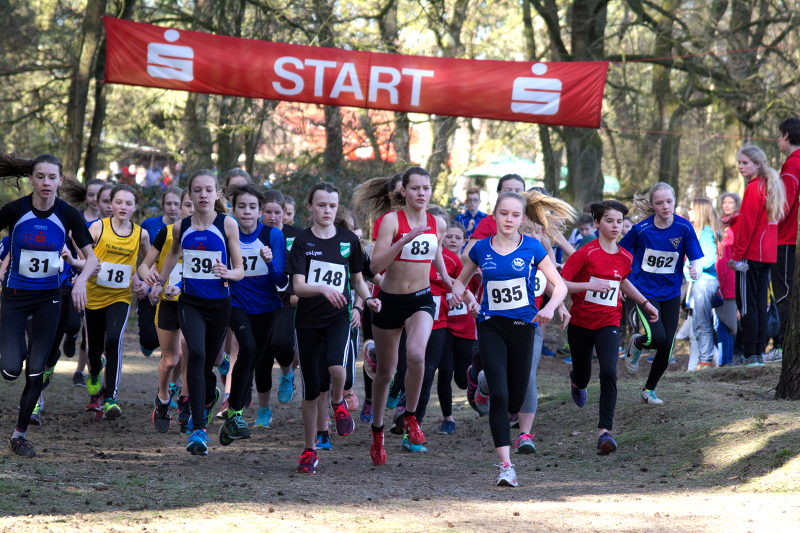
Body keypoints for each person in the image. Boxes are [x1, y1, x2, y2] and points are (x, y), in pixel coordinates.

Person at [451, 190, 573, 487]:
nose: (509, 219)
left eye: (515, 214)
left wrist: (548, 307)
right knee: (502, 396)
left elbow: (559, 286)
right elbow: (460, 281)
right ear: (494, 215)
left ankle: (482, 387)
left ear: (522, 218)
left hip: (524, 326)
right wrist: (463, 296)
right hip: (491, 325)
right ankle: (506, 465)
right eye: (504, 213)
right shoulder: (481, 248)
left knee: (517, 396)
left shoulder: (532, 248)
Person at [0, 153, 98, 457]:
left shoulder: (68, 215)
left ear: (60, 180)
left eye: (51, 177)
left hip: (50, 298)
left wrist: (80, 281)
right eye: (40, 176)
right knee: (11, 370)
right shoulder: (15, 210)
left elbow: (92, 258)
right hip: (15, 297)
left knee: (37, 370)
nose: (45, 182)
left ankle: (19, 435)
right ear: (31, 179)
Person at [354, 167, 452, 465]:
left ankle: (410, 417)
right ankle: (378, 431)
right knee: (385, 373)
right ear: (403, 192)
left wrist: (451, 283)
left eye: (426, 187)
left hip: (421, 299)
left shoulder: (436, 222)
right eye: (416, 188)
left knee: (417, 355)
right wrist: (403, 239)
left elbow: (436, 257)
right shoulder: (390, 221)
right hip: (390, 301)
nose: (422, 193)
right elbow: (374, 267)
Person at [287, 183, 380, 474]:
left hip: (338, 316)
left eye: (332, 206)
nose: (327, 211)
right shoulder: (302, 241)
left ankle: (339, 402)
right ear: (311, 207)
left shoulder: (348, 239)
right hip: (307, 320)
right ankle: (309, 449)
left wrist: (368, 300)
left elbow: (356, 279)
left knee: (337, 367)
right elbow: (299, 287)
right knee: (312, 389)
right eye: (321, 205)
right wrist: (324, 289)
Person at [153, 170, 244, 455]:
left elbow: (240, 269)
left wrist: (227, 271)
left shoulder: (228, 224)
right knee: (198, 355)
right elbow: (171, 254)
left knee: (209, 363)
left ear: (217, 193)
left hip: (219, 304)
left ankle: (206, 400)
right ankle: (198, 429)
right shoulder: (181, 227)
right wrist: (160, 281)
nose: (203, 195)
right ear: (190, 195)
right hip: (189, 302)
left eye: (208, 190)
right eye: (197, 190)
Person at [562, 201, 658, 455]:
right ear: (597, 223)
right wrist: (587, 287)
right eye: (609, 221)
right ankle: (576, 381)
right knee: (583, 374)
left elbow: (623, 281)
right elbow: (563, 284)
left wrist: (645, 303)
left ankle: (604, 432)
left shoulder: (625, 256)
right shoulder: (586, 252)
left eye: (619, 222)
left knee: (608, 372)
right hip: (580, 323)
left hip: (609, 321)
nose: (615, 226)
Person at [621, 182, 703, 404]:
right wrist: (619, 281)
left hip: (671, 292)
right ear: (652, 205)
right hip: (644, 291)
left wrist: (695, 269)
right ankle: (638, 343)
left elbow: (696, 258)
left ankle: (649, 389)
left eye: (669, 201)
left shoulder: (684, 228)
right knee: (657, 337)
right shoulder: (641, 230)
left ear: (675, 201)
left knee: (667, 344)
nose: (666, 206)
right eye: (660, 202)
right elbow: (620, 254)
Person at [73, 185, 149, 419]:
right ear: (111, 205)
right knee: (93, 349)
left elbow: (147, 263)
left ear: (135, 207)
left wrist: (143, 281)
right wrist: (82, 267)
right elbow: (81, 251)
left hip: (120, 296)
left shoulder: (141, 234)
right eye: (119, 202)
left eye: (128, 203)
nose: (123, 207)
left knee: (114, 340)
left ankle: (110, 399)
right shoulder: (98, 227)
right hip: (94, 297)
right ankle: (95, 372)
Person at [137, 188, 193, 433]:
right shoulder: (167, 233)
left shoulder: (211, 234)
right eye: (187, 205)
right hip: (168, 302)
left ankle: (186, 401)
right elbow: (143, 266)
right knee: (170, 359)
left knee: (191, 351)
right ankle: (162, 398)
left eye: (194, 205)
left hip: (196, 303)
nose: (192, 210)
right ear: (179, 208)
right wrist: (151, 278)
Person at [728, 145, 785, 366]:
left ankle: (750, 352)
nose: (741, 167)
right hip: (767, 254)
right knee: (760, 304)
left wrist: (736, 255)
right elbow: (758, 220)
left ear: (757, 164)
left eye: (745, 163)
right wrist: (735, 219)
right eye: (739, 163)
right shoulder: (769, 186)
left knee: (747, 306)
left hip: (749, 256)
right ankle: (758, 352)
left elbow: (749, 226)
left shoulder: (753, 187)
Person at [256, 189, 298, 424]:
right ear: (261, 212)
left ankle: (286, 373)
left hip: (287, 301)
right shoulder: (256, 234)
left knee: (282, 344)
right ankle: (264, 409)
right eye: (268, 212)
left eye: (277, 212)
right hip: (260, 301)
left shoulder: (296, 235)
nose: (273, 216)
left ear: (285, 213)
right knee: (261, 357)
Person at [137, 186, 183, 357]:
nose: (173, 208)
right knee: (149, 341)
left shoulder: (192, 229)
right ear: (163, 205)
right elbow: (144, 258)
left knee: (179, 345)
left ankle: (176, 380)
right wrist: (142, 280)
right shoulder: (150, 225)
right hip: (153, 282)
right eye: (168, 203)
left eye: (176, 204)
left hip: (178, 288)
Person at [770, 118, 800, 362]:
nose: (777, 140)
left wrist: (768, 224)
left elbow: (784, 206)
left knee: (784, 292)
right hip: (788, 240)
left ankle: (781, 345)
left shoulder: (792, 165)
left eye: (779, 136)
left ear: (787, 136)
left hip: (785, 241)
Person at [686, 198, 722, 370]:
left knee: (702, 322)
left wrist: (690, 267)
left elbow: (707, 259)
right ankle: (705, 358)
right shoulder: (702, 232)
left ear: (700, 212)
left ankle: (706, 361)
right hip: (701, 282)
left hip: (704, 282)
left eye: (692, 209)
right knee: (698, 323)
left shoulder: (706, 232)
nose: (689, 212)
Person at [716, 194, 738, 367]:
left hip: (731, 278)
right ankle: (723, 359)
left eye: (731, 202)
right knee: (718, 322)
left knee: (728, 322)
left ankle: (727, 360)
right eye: (725, 202)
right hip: (716, 277)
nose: (727, 205)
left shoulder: (738, 225)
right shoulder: (718, 225)